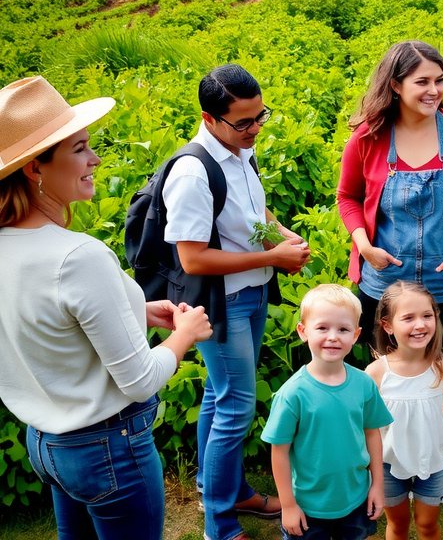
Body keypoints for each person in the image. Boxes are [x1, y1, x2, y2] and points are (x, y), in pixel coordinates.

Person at [0, 76, 213, 539]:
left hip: (47, 443)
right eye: (79, 148)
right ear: (36, 167)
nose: (95, 159)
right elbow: (138, 382)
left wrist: (134, 310)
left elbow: (41, 323)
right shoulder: (77, 256)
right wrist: (184, 334)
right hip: (107, 448)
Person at [337, 40, 443, 517]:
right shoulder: (368, 137)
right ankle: (384, 469)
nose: (434, 90)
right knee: (386, 382)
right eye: (422, 81)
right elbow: (348, 196)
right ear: (396, 85)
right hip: (385, 284)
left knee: (441, 376)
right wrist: (364, 245)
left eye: (439, 81)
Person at [162, 64, 311, 540]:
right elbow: (192, 259)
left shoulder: (238, 149)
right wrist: (273, 255)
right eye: (243, 122)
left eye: (259, 116)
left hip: (248, 292)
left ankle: (221, 487)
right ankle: (220, 525)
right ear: (209, 118)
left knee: (219, 396)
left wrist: (282, 235)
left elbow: (252, 209)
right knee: (236, 407)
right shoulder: (192, 172)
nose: (255, 129)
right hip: (219, 303)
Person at [261, 284, 393, 540]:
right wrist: (288, 505)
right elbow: (279, 452)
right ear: (303, 331)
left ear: (355, 335)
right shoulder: (293, 394)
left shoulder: (364, 383)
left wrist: (377, 485)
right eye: (322, 328)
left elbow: (373, 433)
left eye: (343, 329)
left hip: (356, 499)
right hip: (309, 506)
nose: (333, 336)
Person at [365, 281, 443, 539]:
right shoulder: (376, 374)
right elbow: (368, 429)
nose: (420, 324)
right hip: (388, 467)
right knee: (397, 526)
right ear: (388, 325)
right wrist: (371, 472)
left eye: (426, 315)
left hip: (433, 463)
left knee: (427, 526)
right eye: (408, 318)